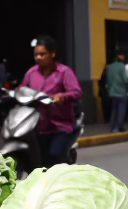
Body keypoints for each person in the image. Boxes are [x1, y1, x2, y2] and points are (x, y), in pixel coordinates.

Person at [21, 36, 84, 167]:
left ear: (52, 54)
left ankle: (67, 178)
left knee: (55, 156)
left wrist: (62, 96)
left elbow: (76, 92)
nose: (38, 57)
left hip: (60, 125)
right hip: (37, 125)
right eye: (36, 55)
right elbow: (22, 89)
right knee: (37, 161)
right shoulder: (31, 73)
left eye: (42, 54)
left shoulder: (64, 72)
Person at [104, 51, 128, 134]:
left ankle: (112, 127)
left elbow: (107, 80)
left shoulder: (109, 67)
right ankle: (120, 126)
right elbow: (125, 79)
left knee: (114, 110)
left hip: (112, 92)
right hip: (121, 92)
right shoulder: (121, 66)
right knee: (121, 110)